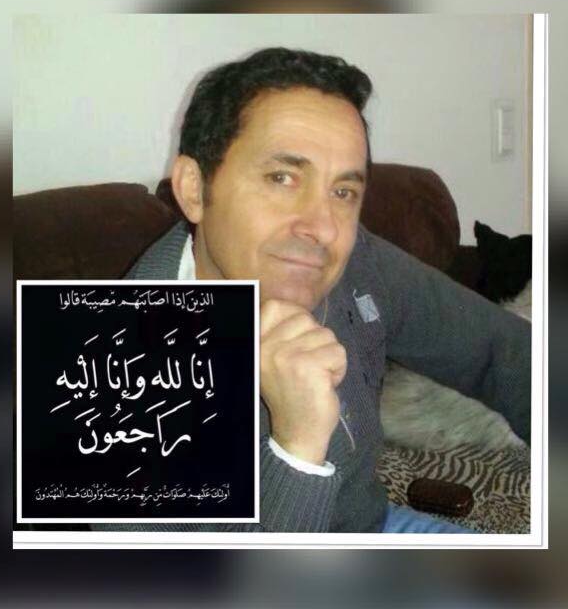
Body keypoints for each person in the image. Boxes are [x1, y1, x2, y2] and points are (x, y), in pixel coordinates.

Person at [93, 48, 530, 533]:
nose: (322, 227)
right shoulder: (116, 374)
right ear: (194, 189)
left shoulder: (357, 261)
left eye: (343, 192)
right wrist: (296, 447)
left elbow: (501, 350)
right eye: (282, 178)